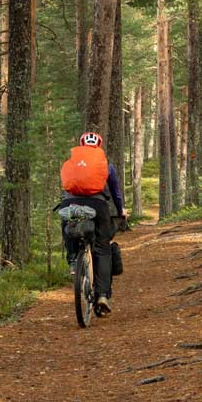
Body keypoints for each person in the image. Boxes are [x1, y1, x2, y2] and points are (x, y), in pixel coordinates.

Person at [58, 131, 124, 315]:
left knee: (67, 225)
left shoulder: (71, 162)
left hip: (70, 202)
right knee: (103, 248)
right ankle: (102, 295)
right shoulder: (106, 165)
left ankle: (73, 259)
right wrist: (120, 211)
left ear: (81, 146)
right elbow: (116, 192)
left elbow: (66, 185)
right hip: (98, 204)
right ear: (98, 147)